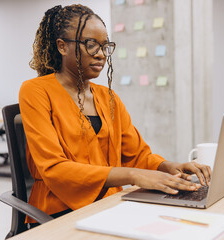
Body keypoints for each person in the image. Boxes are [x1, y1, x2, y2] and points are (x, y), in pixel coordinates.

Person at [19, 4, 211, 226]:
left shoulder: (107, 97)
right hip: (57, 212)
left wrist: (168, 166)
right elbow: (54, 168)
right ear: (62, 46)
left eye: (105, 46)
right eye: (91, 45)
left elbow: (137, 155)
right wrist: (132, 176)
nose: (100, 54)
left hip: (109, 204)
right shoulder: (35, 91)